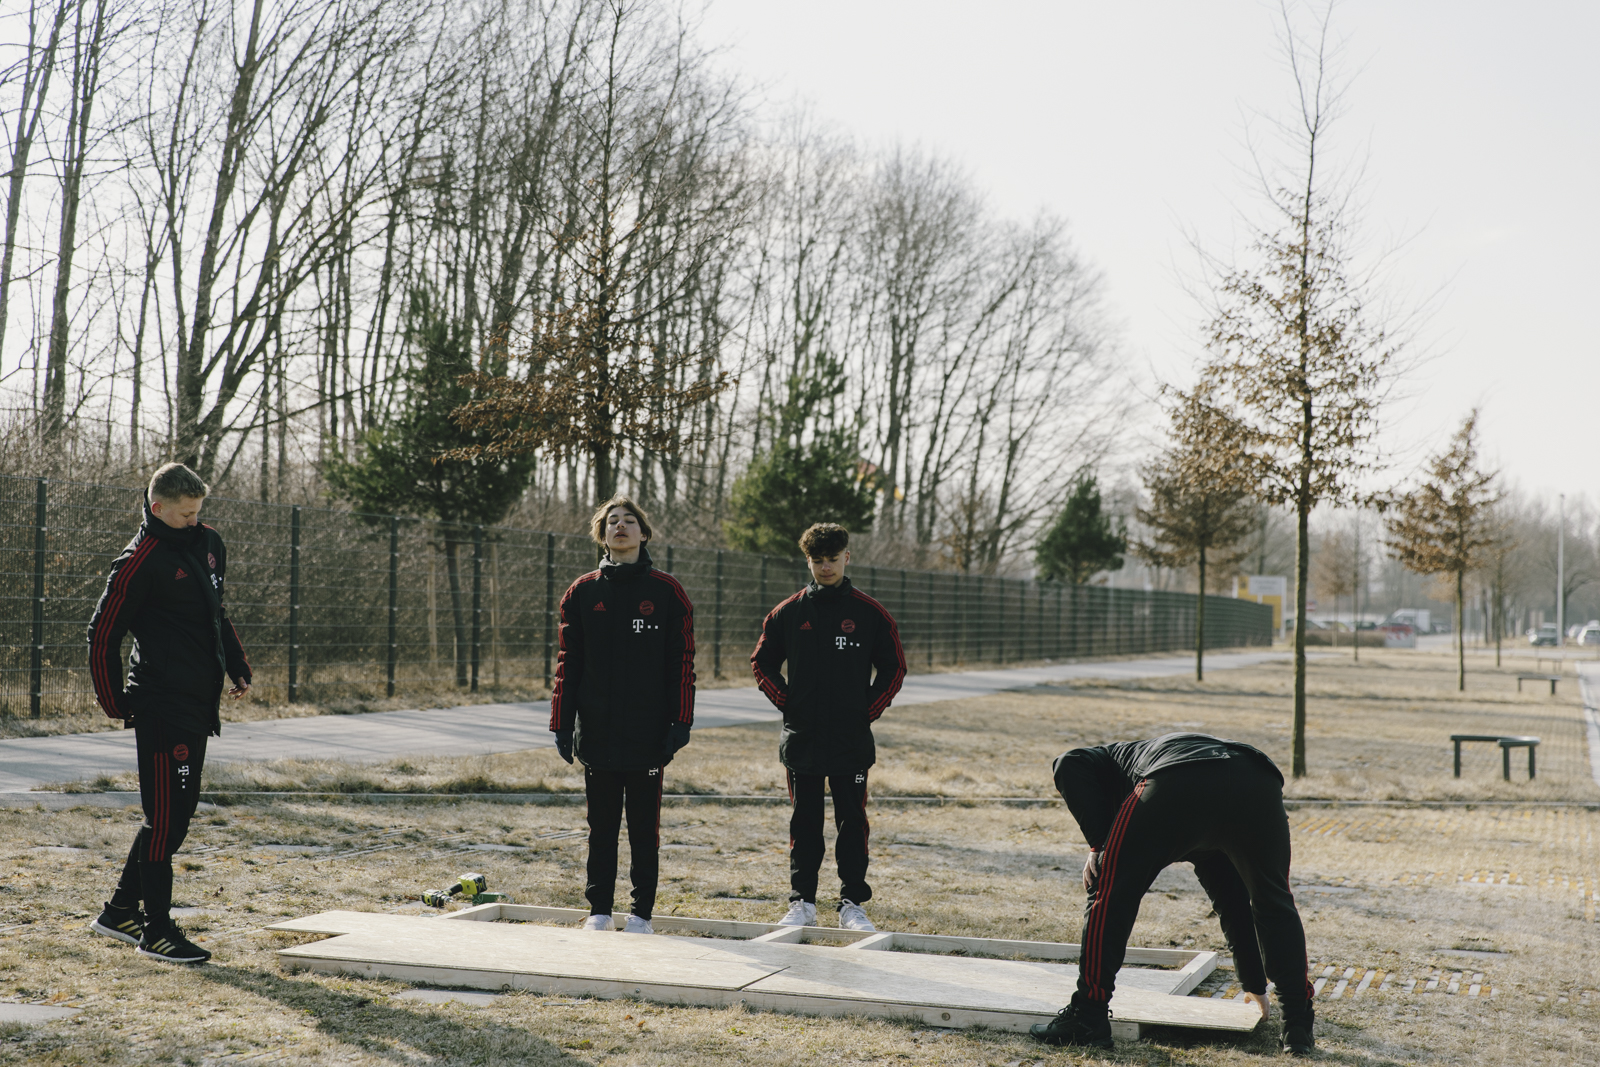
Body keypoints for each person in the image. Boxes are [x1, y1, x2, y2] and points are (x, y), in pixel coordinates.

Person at [1030, 732, 1315, 1056]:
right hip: (1256, 778)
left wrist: (1100, 843)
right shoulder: (1151, 765)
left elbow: (1067, 762)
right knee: (1273, 899)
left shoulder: (1102, 763)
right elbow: (1233, 903)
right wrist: (1254, 983)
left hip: (1178, 777)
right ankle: (1297, 1026)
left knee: (1109, 890)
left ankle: (1087, 1015)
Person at [86, 463, 252, 964]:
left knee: (176, 815)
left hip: (196, 702)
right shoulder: (139, 561)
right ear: (158, 508)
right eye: (185, 514)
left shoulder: (207, 544)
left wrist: (236, 664)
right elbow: (102, 634)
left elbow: (214, 612)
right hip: (159, 702)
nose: (194, 521)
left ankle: (119, 910)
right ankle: (155, 929)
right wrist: (114, 701)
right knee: (165, 819)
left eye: (199, 512)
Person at [550, 497, 695, 935]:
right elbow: (567, 663)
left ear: (643, 534)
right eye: (612, 521)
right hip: (597, 732)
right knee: (601, 827)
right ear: (602, 534)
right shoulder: (583, 592)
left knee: (643, 830)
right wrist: (561, 723)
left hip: (648, 735)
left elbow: (682, 662)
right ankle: (598, 910)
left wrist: (680, 722)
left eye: (630, 521)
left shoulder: (667, 591)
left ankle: (641, 914)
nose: (620, 527)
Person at [751, 522, 906, 932]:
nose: (825, 568)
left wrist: (865, 711)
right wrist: (787, 702)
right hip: (802, 739)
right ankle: (802, 901)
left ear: (846, 558)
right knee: (804, 821)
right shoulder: (788, 612)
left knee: (851, 822)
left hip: (851, 740)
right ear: (808, 561)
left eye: (832, 560)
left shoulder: (870, 613)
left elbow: (894, 667)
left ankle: (852, 903)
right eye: (817, 561)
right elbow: (761, 662)